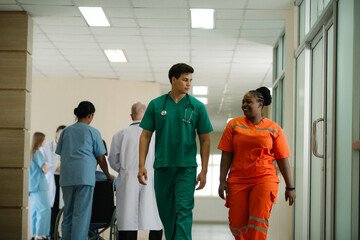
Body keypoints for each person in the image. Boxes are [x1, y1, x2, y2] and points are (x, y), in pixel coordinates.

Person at [137, 63, 213, 240]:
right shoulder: (156, 105)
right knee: (167, 216)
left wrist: (204, 170)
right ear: (173, 80)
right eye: (185, 80)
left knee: (183, 213)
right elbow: (145, 136)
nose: (188, 84)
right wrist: (141, 165)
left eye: (190, 80)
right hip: (163, 168)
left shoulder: (197, 107)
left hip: (186, 168)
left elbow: (205, 139)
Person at [217, 87, 296, 240]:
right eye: (243, 102)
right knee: (237, 223)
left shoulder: (274, 129)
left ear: (260, 104)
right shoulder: (233, 125)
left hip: (264, 179)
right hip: (237, 180)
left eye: (248, 102)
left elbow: (282, 159)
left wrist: (290, 186)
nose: (244, 105)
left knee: (258, 222)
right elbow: (226, 155)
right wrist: (222, 181)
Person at [55, 101, 114, 240]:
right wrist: (107, 175)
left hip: (67, 178)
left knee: (68, 214)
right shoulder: (93, 132)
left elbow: (61, 153)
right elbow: (101, 158)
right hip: (84, 178)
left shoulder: (66, 132)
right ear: (90, 115)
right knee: (81, 216)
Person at [109, 102, 163, 240]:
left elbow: (113, 160)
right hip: (150, 178)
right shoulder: (156, 134)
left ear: (131, 116)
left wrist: (125, 170)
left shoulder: (120, 134)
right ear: (147, 116)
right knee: (154, 217)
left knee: (128, 220)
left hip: (128, 179)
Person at [40, 125, 65, 240]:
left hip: (62, 179)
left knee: (60, 209)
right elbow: (43, 161)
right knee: (51, 208)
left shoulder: (67, 147)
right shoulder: (47, 146)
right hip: (51, 179)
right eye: (61, 134)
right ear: (56, 134)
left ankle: (56, 233)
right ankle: (50, 233)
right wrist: (56, 168)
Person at [29, 132, 51, 240]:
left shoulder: (30, 154)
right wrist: (49, 167)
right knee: (45, 209)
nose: (45, 142)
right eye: (44, 140)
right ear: (40, 140)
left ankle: (34, 234)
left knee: (34, 211)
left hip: (32, 187)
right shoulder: (38, 153)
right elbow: (44, 168)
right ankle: (41, 234)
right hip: (40, 186)